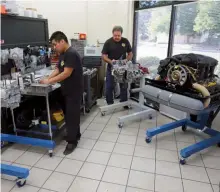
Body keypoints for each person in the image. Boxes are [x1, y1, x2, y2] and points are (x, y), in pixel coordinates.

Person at [40, 31, 83, 155]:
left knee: (72, 116)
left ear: (62, 41)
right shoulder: (63, 54)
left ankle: (72, 142)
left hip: (74, 91)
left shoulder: (71, 54)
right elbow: (58, 69)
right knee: (69, 115)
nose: (54, 47)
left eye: (55, 44)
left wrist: (49, 81)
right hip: (66, 90)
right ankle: (75, 134)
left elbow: (66, 73)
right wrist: (48, 78)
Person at [102, 26, 133, 106]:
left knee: (124, 86)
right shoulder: (108, 42)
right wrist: (111, 62)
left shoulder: (125, 41)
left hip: (123, 68)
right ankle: (110, 103)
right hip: (111, 67)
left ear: (121, 34)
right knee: (109, 86)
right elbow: (104, 56)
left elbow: (130, 54)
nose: (117, 37)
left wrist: (126, 60)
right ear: (113, 34)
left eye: (118, 36)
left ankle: (124, 103)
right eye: (115, 35)